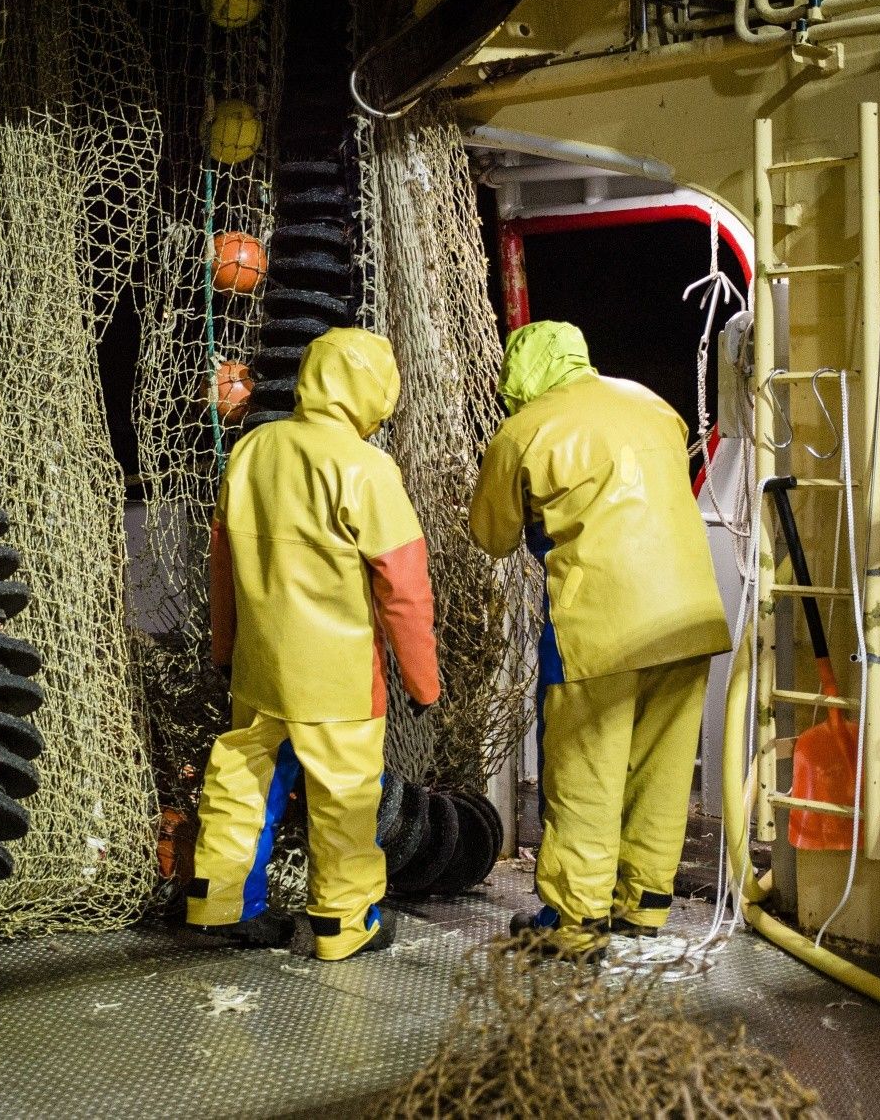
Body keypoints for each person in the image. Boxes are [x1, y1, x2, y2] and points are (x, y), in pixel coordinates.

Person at [468, 320, 731, 959]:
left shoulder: (526, 429)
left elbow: (491, 534)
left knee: (585, 767)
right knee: (662, 768)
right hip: (690, 615)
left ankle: (575, 923)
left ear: (519, 378)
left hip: (601, 623)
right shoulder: (653, 406)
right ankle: (643, 904)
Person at [184, 327, 442, 961]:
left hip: (260, 667)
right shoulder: (367, 468)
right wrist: (423, 682)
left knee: (241, 781)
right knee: (345, 798)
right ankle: (341, 926)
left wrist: (225, 648)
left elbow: (222, 565)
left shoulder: (251, 451)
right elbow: (403, 589)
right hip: (339, 676)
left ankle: (218, 907)